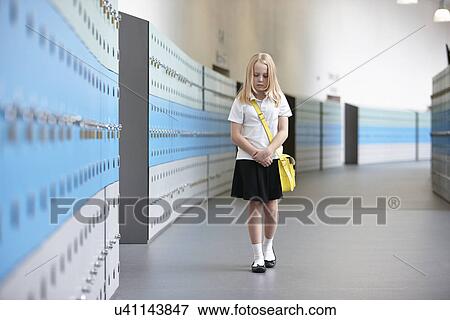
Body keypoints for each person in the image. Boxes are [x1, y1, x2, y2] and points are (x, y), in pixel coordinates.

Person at [228, 53, 293, 273]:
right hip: (248, 159)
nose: (260, 79)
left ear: (271, 75)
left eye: (265, 75)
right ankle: (256, 257)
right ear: (250, 74)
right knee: (254, 206)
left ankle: (268, 248)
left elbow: (283, 131)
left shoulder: (278, 99)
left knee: (272, 207)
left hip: (272, 159)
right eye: (256, 75)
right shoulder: (241, 100)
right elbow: (236, 135)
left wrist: (268, 151)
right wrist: (256, 152)